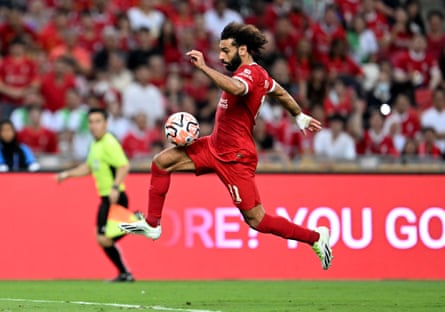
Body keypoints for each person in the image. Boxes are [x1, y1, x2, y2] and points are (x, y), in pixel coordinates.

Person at [119, 22, 333, 270]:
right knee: (161, 162)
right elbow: (279, 92)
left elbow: (236, 88)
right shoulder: (260, 75)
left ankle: (316, 237)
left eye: (225, 50)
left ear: (242, 50)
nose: (220, 56)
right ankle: (153, 224)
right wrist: (298, 115)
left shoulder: (249, 75)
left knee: (257, 220)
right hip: (214, 145)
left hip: (235, 157)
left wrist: (203, 67)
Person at [56, 108, 134, 282]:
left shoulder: (109, 143)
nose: (93, 125)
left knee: (104, 237)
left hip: (115, 196)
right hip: (105, 198)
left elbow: (124, 166)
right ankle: (124, 273)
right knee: (102, 239)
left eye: (97, 121)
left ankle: (135, 222)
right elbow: (88, 167)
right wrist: (67, 174)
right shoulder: (95, 145)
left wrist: (115, 187)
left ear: (106, 123)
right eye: (91, 122)